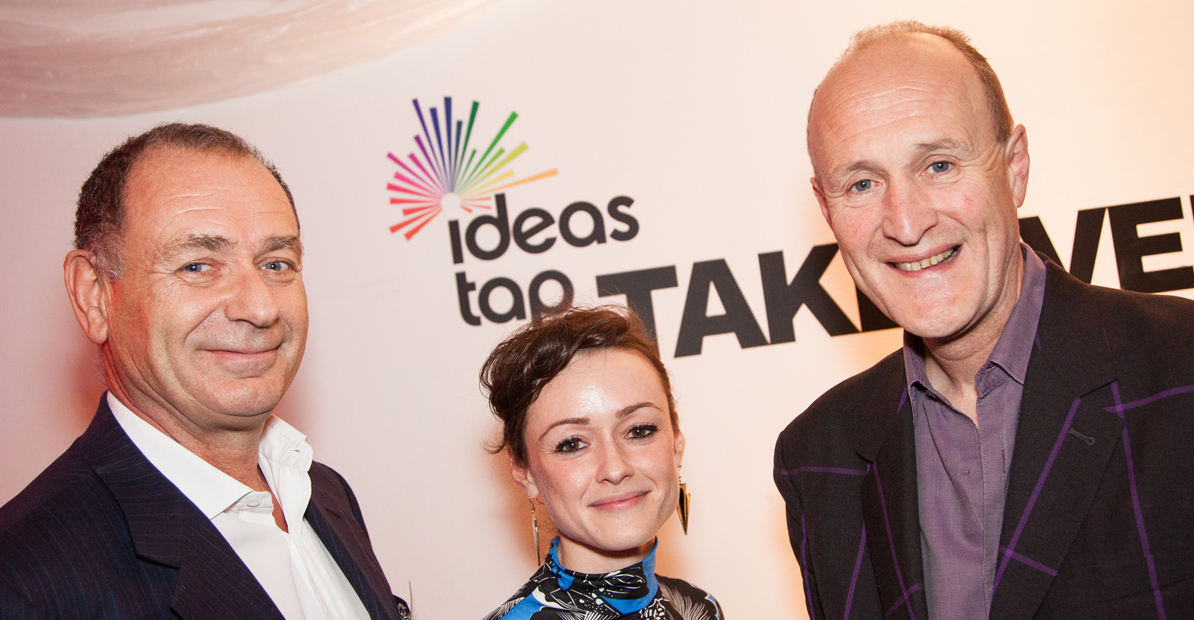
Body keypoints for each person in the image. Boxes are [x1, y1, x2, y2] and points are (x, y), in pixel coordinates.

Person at [774, 20, 1194, 620]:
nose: (904, 222)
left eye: (940, 165)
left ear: (1015, 166)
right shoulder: (820, 457)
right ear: (827, 208)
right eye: (863, 183)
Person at [0, 123, 408, 619]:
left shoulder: (322, 493)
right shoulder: (25, 580)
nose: (259, 307)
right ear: (94, 295)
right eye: (197, 266)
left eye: (276, 264)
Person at [479, 306, 723, 620]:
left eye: (639, 430)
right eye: (572, 443)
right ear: (525, 472)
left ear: (676, 442)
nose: (615, 468)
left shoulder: (700, 608)